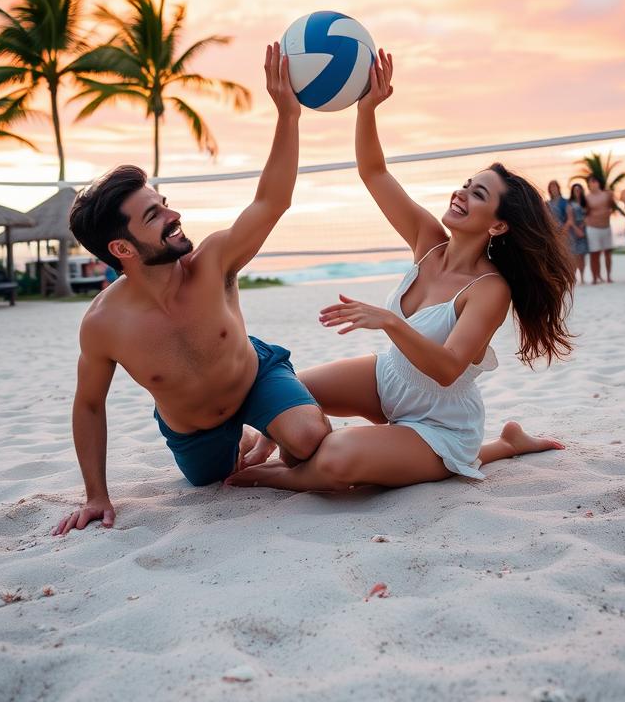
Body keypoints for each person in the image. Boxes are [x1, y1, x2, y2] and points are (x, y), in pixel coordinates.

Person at [227, 50, 573, 494]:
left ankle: (479, 449)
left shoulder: (490, 289)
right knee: (289, 395)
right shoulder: (428, 240)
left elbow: (448, 369)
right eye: (466, 183)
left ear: (498, 224)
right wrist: (367, 108)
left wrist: (388, 320)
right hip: (390, 379)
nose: (462, 192)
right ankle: (502, 443)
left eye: (478, 193)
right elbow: (374, 172)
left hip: (440, 423)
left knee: (334, 456)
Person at [52, 45, 330, 534]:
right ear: (123, 248)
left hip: (252, 375)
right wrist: (96, 495)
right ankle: (248, 441)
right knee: (210, 480)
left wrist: (288, 115)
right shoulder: (103, 325)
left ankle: (274, 419)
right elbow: (89, 405)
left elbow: (272, 200)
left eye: (165, 204)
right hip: (191, 424)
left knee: (308, 438)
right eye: (153, 215)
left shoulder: (214, 260)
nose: (173, 216)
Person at [584, 175, 616, 284]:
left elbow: (613, 206)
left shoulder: (607, 194)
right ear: (588, 185)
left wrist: (612, 195)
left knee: (608, 253)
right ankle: (595, 277)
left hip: (606, 227)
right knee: (594, 254)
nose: (592, 183)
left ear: (598, 183)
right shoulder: (587, 198)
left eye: (594, 181)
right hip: (592, 228)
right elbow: (584, 212)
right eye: (590, 182)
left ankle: (608, 276)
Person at [566, 182, 588, 284]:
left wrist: (583, 226)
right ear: (573, 192)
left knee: (582, 255)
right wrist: (577, 230)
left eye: (579, 190)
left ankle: (583, 277)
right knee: (574, 255)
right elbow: (570, 220)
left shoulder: (585, 203)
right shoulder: (570, 204)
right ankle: (574, 277)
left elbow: (588, 216)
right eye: (575, 190)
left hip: (584, 230)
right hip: (574, 231)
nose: (577, 192)